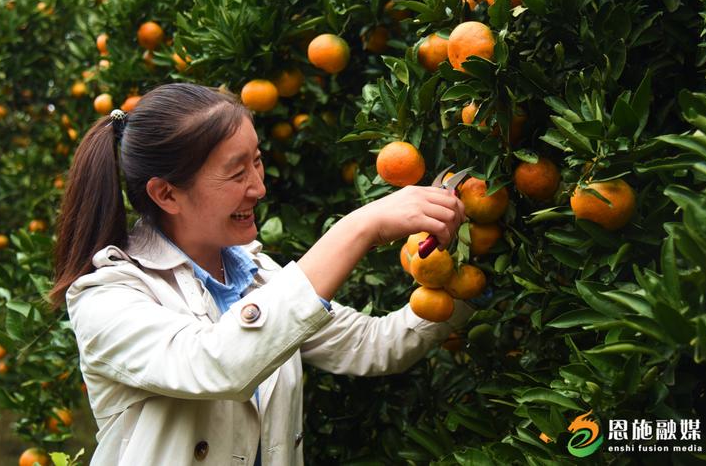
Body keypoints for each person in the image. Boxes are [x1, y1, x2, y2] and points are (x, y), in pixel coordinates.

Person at [52, 83, 472, 465]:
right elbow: (217, 363)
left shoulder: (257, 276)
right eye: (237, 173)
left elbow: (373, 344)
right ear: (167, 194)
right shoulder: (107, 297)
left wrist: (469, 267)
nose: (258, 187)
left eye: (257, 162)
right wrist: (360, 227)